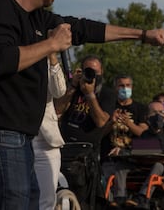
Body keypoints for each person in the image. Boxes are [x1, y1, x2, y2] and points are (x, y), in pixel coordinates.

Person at [0, 0, 164, 210]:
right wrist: (51, 44)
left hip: (20, 140)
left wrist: (143, 35)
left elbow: (84, 29)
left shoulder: (36, 16)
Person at [56, 55, 115, 210]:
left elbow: (101, 121)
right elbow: (56, 110)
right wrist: (72, 87)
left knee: (84, 202)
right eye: (88, 71)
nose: (92, 76)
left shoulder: (107, 93)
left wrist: (89, 94)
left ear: (101, 73)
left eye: (95, 72)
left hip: (86, 155)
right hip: (63, 149)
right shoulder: (73, 88)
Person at [100, 74, 148, 207]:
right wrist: (111, 122)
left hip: (132, 159)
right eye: (121, 85)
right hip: (109, 159)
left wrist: (128, 123)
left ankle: (122, 201)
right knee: (108, 181)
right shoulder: (108, 106)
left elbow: (143, 133)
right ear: (115, 88)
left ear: (132, 87)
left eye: (128, 85)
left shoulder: (140, 108)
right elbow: (99, 133)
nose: (125, 88)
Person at [32, 52, 66, 210]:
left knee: (47, 202)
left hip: (46, 142)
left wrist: (52, 56)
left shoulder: (47, 62)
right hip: (18, 137)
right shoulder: (15, 56)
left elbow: (59, 91)